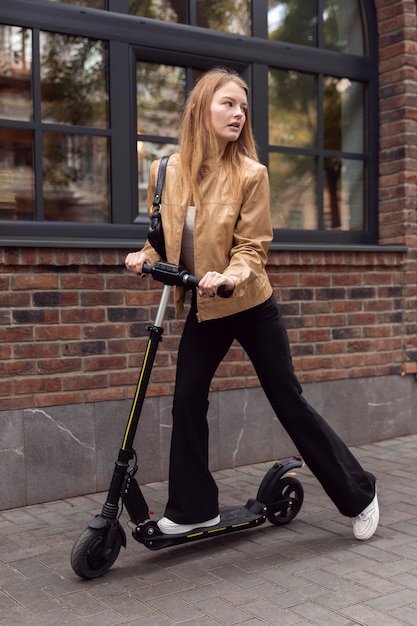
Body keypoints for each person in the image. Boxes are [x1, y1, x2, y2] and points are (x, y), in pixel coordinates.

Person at [125, 67, 379, 541]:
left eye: (243, 107)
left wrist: (229, 276)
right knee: (185, 400)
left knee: (288, 401)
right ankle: (194, 508)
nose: (239, 113)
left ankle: (359, 493)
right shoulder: (166, 170)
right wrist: (145, 256)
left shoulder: (250, 173)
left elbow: (252, 247)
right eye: (228, 103)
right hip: (204, 306)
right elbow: (165, 238)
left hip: (247, 300)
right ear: (202, 108)